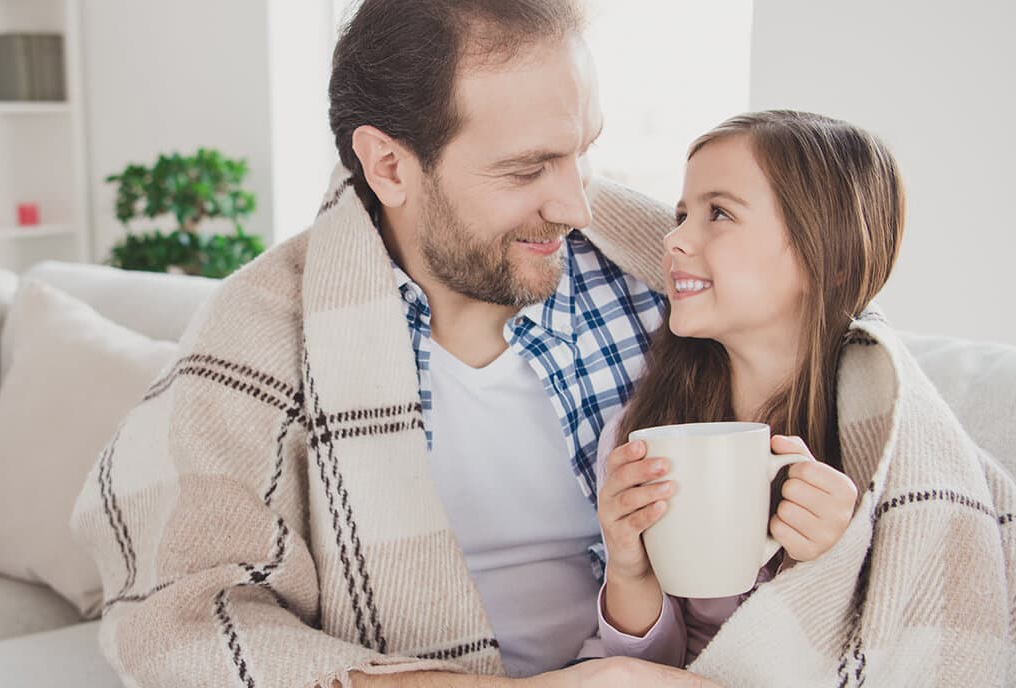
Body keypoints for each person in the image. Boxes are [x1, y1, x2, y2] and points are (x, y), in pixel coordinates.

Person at [70, 0, 719, 685]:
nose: (575, 207)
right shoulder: (263, 329)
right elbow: (180, 620)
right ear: (388, 166)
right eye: (528, 169)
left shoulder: (664, 282)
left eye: (582, 152)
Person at [591, 110, 1016, 686]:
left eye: (719, 213)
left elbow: (903, 645)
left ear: (823, 257)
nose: (674, 238)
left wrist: (831, 566)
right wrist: (629, 571)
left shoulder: (883, 447)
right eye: (681, 215)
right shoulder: (647, 430)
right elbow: (654, 670)